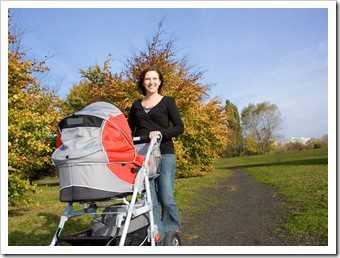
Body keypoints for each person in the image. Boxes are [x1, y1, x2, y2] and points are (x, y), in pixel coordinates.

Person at [128, 67, 184, 245]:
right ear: (142, 82)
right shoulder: (136, 105)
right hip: (143, 157)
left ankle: (170, 231)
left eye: (154, 79)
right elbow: (129, 131)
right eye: (147, 79)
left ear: (160, 82)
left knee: (166, 198)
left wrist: (159, 133)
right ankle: (157, 238)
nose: (151, 82)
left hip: (165, 153)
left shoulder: (167, 102)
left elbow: (179, 127)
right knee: (150, 201)